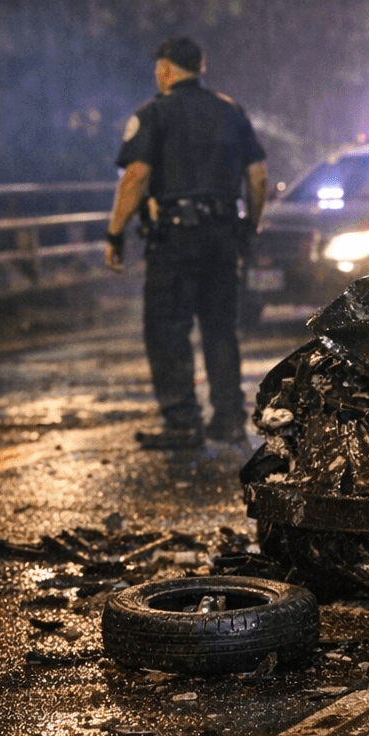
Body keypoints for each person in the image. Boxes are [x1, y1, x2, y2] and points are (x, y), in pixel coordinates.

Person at [106, 36, 267, 449]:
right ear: (201, 66)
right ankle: (229, 419)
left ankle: (182, 422)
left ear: (164, 70)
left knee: (167, 328)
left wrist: (115, 233)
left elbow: (136, 176)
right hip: (222, 236)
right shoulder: (231, 111)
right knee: (219, 327)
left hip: (175, 238)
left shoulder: (154, 114)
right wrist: (249, 228)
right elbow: (258, 176)